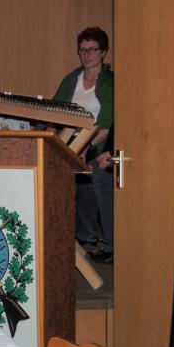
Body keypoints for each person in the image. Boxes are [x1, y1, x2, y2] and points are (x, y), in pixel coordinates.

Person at [54, 26, 114, 263]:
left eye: (92, 50)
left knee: (96, 174)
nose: (87, 55)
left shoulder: (109, 82)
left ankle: (111, 241)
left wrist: (80, 147)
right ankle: (85, 235)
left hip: (97, 144)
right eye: (82, 50)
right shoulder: (72, 79)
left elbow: (105, 126)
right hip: (70, 141)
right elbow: (53, 112)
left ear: (103, 52)